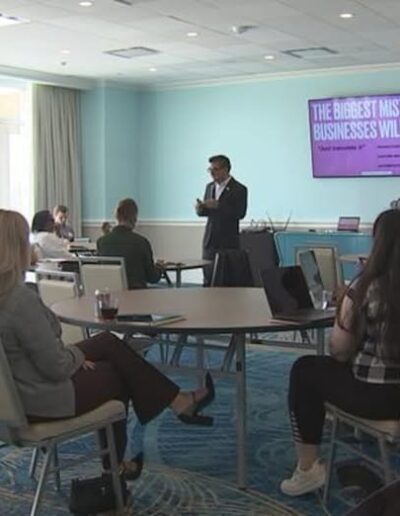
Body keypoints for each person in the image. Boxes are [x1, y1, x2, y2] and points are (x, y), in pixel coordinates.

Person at [0, 209, 215, 478]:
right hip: (41, 399)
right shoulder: (20, 301)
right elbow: (56, 367)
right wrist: (77, 359)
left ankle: (176, 401)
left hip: (15, 398)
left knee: (106, 343)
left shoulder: (9, 297)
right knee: (117, 374)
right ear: (16, 249)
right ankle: (115, 470)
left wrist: (71, 356)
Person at [281, 208, 400, 497]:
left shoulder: (366, 288)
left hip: (379, 399)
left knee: (305, 370)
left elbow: (340, 351)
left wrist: (345, 307)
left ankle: (308, 469)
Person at [195, 155, 247, 286]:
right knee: (208, 279)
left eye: (216, 169)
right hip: (210, 241)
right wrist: (200, 208)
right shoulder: (209, 187)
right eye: (210, 169)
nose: (212, 173)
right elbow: (207, 213)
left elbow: (240, 213)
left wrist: (219, 205)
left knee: (226, 281)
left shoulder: (239, 189)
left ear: (226, 169)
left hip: (228, 243)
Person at [97, 198, 163, 289]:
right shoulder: (142, 242)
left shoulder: (101, 242)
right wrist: (159, 267)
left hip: (112, 292)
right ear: (134, 218)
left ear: (117, 216)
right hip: (137, 294)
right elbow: (152, 277)